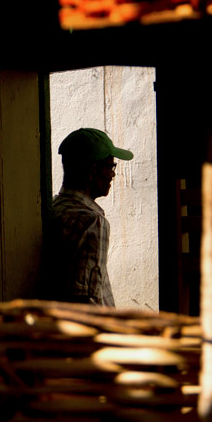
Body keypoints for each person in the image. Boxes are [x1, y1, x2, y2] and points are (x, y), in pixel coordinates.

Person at [41, 128, 133, 307]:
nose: (113, 174)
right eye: (110, 166)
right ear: (93, 170)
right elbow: (86, 300)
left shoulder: (53, 208)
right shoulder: (93, 223)